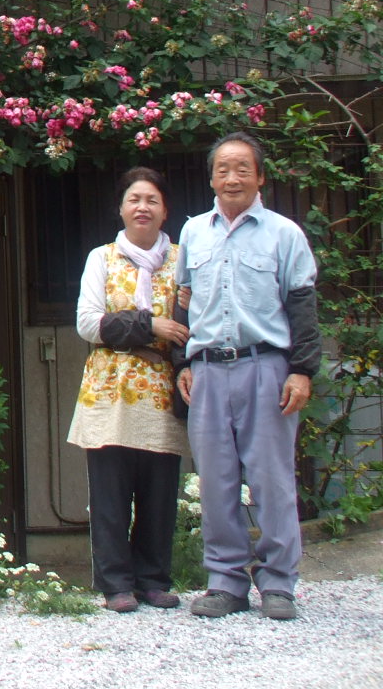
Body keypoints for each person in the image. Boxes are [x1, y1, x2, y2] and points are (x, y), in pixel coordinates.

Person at [175, 132, 320, 621]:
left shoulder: (285, 234)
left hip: (267, 368)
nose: (232, 177)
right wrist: (184, 363)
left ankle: (279, 583)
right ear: (211, 177)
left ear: (260, 176)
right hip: (209, 371)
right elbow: (184, 303)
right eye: (222, 169)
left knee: (272, 480)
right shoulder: (194, 232)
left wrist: (301, 371)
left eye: (242, 168)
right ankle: (226, 582)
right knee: (215, 483)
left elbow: (302, 308)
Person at [67, 167, 191, 612]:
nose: (143, 207)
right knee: (110, 491)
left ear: (165, 210)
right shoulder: (101, 259)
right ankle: (116, 584)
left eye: (152, 200)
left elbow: (192, 324)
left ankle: (153, 579)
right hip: (109, 389)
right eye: (134, 199)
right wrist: (149, 324)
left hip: (161, 387)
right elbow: (87, 324)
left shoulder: (183, 259)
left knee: (159, 491)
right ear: (121, 208)